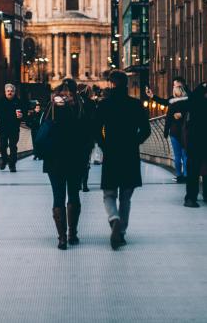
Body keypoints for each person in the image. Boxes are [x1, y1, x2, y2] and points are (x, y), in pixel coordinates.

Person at [95, 71, 151, 250]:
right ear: (126, 84)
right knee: (126, 196)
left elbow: (96, 129)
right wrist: (135, 141)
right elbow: (146, 130)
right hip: (130, 154)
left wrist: (104, 145)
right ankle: (122, 232)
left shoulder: (104, 105)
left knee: (109, 193)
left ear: (111, 84)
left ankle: (114, 219)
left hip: (112, 153)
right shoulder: (135, 105)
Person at [42, 79, 90, 250]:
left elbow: (40, 129)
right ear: (75, 91)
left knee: (58, 197)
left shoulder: (51, 107)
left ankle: (61, 238)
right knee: (74, 195)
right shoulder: (80, 107)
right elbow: (88, 134)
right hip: (75, 159)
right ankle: (72, 234)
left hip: (54, 160)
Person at [0, 84, 25, 172]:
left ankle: (12, 165)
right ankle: (5, 159)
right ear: (5, 92)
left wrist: (22, 116)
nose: (10, 93)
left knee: (13, 146)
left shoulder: (18, 102)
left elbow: (24, 113)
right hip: (2, 128)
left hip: (14, 128)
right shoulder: (0, 102)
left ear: (14, 92)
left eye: (11, 91)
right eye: (8, 91)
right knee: (2, 146)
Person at [163, 85, 188, 182]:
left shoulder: (172, 104)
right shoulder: (187, 103)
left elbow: (168, 119)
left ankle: (179, 175)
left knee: (177, 155)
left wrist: (165, 132)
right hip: (185, 131)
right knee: (185, 154)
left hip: (174, 132)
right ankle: (186, 175)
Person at [77, 84, 97, 192]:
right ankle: (84, 184)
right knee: (86, 160)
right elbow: (95, 120)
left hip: (75, 137)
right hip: (88, 137)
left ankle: (78, 182)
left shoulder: (74, 102)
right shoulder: (91, 103)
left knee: (77, 160)